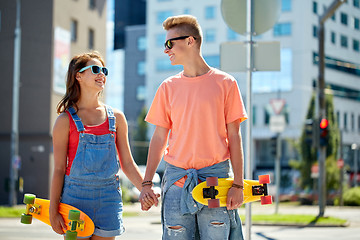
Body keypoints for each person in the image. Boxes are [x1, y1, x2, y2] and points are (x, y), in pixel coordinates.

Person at [139, 15, 248, 239]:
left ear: (190, 41)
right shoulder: (167, 88)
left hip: (216, 183)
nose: (166, 50)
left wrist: (238, 184)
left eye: (170, 43)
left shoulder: (226, 83)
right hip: (177, 185)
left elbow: (235, 137)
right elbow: (159, 138)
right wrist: (147, 183)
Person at [50, 52, 154, 240]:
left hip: (109, 199)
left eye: (104, 70)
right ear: (78, 75)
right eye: (96, 69)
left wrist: (145, 189)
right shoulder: (65, 121)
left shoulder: (117, 118)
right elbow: (58, 169)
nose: (102, 74)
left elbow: (127, 164)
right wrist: (53, 210)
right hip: (75, 199)